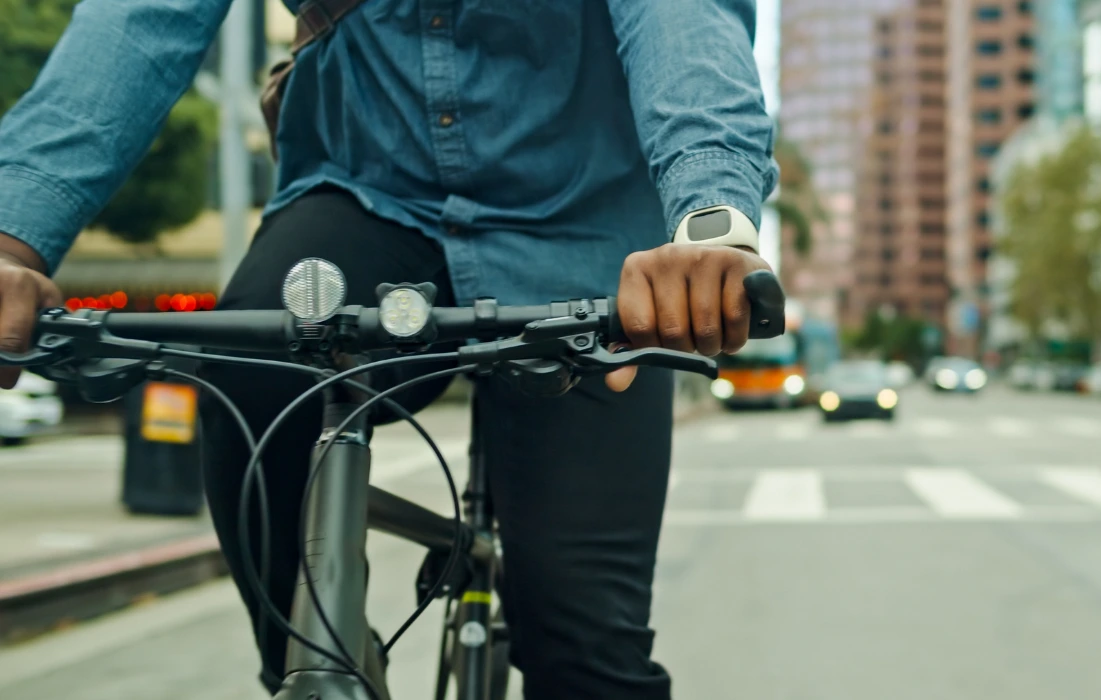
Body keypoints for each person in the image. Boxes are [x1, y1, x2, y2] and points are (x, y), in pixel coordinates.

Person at [0, 2, 777, 698]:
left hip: (585, 229)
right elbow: (140, 21)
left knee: (587, 652)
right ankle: (313, 665)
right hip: (369, 193)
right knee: (255, 370)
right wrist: (13, 242)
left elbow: (681, 18)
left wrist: (709, 220)